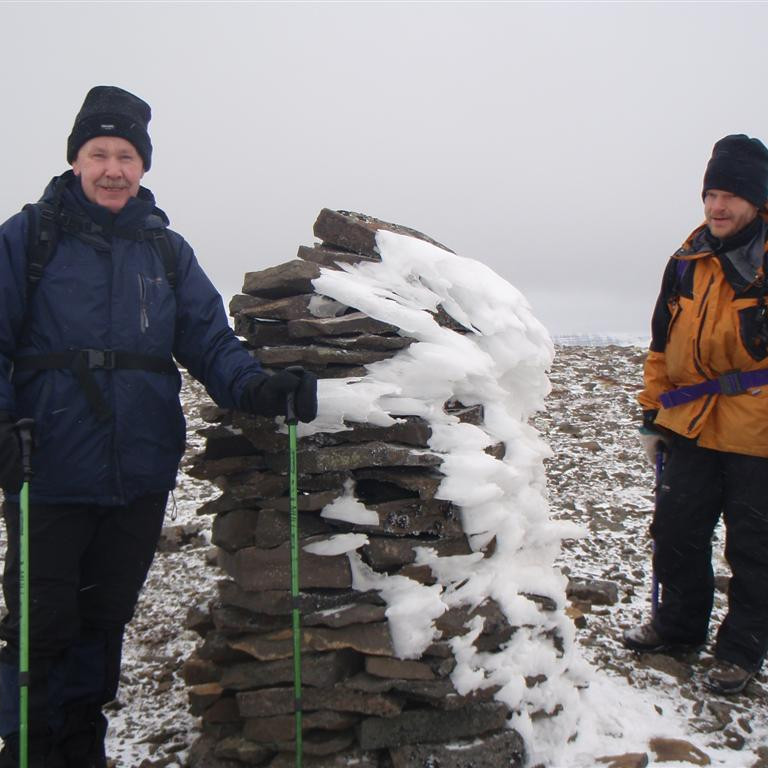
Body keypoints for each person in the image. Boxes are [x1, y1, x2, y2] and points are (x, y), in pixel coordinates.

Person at [0, 85, 318, 766]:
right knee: (39, 633)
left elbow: (210, 342)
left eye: (126, 155)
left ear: (143, 166)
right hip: (45, 473)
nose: (113, 168)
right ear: (76, 160)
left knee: (102, 628)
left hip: (138, 477)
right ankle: (26, 752)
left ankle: (83, 752)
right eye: (99, 153)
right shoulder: (28, 238)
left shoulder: (166, 253)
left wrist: (261, 390)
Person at [625, 134, 768, 696]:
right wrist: (651, 416)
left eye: (731, 195)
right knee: (678, 530)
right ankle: (678, 629)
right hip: (689, 421)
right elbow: (661, 346)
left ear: (758, 200)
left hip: (758, 429)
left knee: (754, 547)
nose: (717, 206)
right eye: (711, 193)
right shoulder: (686, 261)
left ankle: (740, 651)